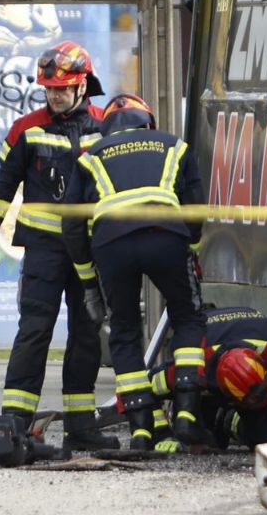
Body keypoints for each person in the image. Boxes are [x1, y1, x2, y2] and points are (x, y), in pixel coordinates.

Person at [0, 40, 118, 452]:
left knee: (87, 334)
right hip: (43, 250)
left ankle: (80, 425)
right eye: (49, 88)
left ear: (82, 87)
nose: (54, 95)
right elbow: (3, 186)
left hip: (89, 251)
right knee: (34, 330)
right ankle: (15, 421)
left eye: (63, 88)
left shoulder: (104, 126)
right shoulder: (27, 128)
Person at [61, 93, 207, 451]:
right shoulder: (174, 145)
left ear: (105, 129)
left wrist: (88, 284)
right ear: (148, 123)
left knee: (124, 332)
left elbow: (72, 226)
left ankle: (142, 426)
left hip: (111, 246)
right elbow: (196, 207)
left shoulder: (89, 157)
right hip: (166, 236)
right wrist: (192, 248)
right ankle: (186, 409)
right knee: (187, 317)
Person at [149, 306, 267, 453]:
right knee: (200, 439)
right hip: (209, 351)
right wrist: (162, 433)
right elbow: (146, 387)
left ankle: (232, 419)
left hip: (254, 330)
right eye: (253, 400)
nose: (260, 400)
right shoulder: (195, 362)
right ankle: (212, 415)